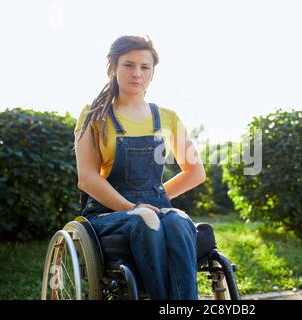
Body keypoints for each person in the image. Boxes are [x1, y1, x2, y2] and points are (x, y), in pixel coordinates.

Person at [74, 35, 206, 300]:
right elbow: (87, 178)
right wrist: (132, 207)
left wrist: (154, 197)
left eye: (145, 67)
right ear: (112, 67)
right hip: (106, 213)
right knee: (144, 219)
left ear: (153, 73)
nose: (137, 73)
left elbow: (196, 172)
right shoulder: (93, 115)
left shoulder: (167, 117)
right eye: (128, 65)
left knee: (179, 220)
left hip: (154, 207)